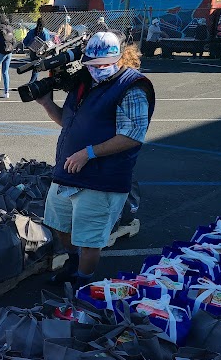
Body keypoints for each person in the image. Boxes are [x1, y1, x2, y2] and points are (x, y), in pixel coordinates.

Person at [35, 32, 154, 287]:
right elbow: (68, 122)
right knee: (59, 222)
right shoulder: (84, 82)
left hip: (102, 178)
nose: (98, 69)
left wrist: (89, 153)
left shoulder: (132, 87)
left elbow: (133, 135)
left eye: (103, 65)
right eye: (93, 64)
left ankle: (83, 281)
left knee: (90, 238)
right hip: (69, 169)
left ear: (121, 57)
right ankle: (73, 262)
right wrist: (47, 104)